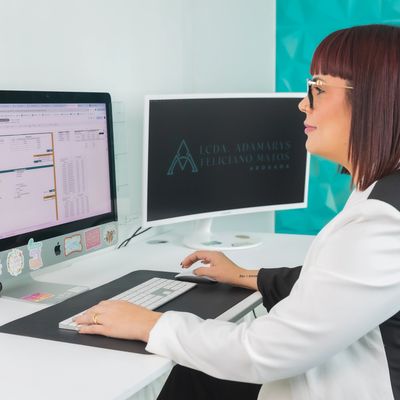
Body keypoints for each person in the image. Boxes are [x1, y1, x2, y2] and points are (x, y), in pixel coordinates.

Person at [75, 24, 400, 399]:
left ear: (373, 100)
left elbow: (268, 351)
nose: (303, 104)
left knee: (193, 371)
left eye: (319, 88)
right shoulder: (382, 195)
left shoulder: (383, 223)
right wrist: (246, 275)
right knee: (193, 376)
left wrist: (150, 324)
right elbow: (334, 283)